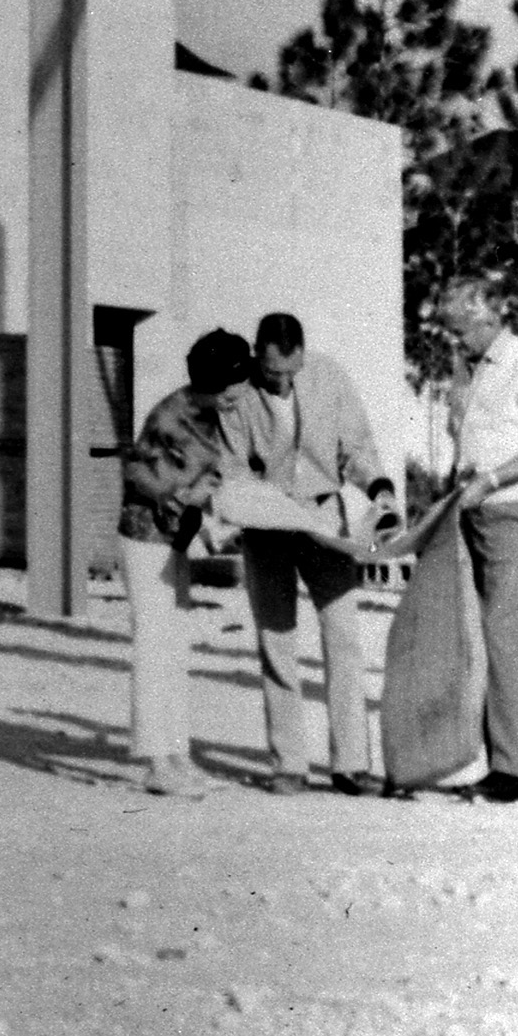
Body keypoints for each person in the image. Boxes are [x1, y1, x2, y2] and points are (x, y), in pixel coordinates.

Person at [116, 327, 383, 799]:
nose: (252, 394)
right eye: (245, 385)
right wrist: (199, 502)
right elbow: (150, 476)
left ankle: (175, 756)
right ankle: (158, 761)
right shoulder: (183, 417)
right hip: (149, 540)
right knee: (157, 648)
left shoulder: (213, 407)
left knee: (174, 647)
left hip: (174, 541)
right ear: (224, 384)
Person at [231, 311, 403, 794]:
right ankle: (288, 763)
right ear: (256, 357)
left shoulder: (329, 377)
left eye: (291, 373)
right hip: (265, 521)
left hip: (325, 520)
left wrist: (380, 489)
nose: (282, 384)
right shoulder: (239, 393)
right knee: (276, 639)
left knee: (344, 636)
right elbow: (232, 467)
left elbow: (358, 446)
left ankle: (351, 764)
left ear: (303, 357)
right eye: (271, 375)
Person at [441, 275, 518, 802]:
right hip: (473, 514)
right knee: (476, 637)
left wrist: (491, 480)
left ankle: (512, 770)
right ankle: (489, 756)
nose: (455, 341)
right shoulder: (465, 372)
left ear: (489, 318)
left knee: (501, 636)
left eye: (461, 331)